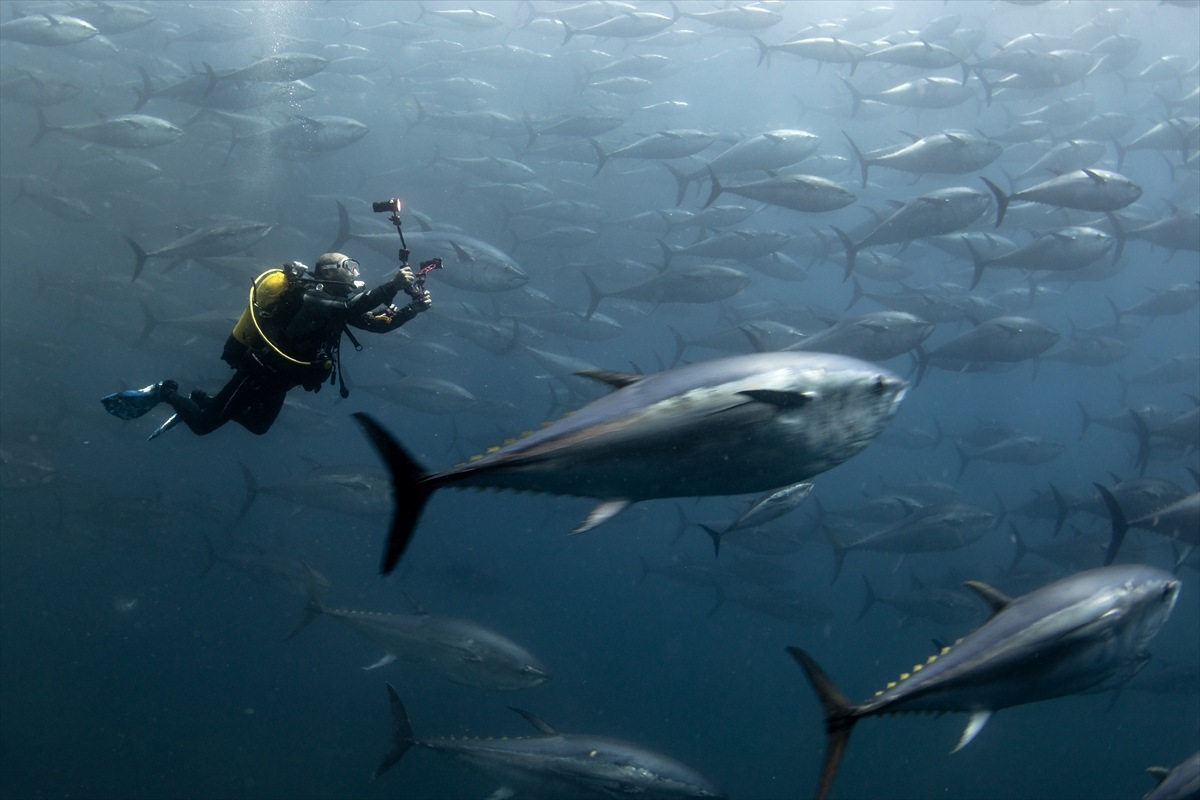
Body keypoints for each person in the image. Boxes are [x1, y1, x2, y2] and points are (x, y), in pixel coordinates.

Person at [102, 252, 431, 437]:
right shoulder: (311, 297)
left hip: (282, 381)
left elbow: (375, 324)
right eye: (349, 267)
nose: (354, 273)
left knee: (259, 427)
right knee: (203, 426)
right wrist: (391, 286)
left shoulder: (339, 305)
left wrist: (412, 310)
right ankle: (166, 391)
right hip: (259, 372)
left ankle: (205, 398)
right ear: (330, 271)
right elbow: (349, 308)